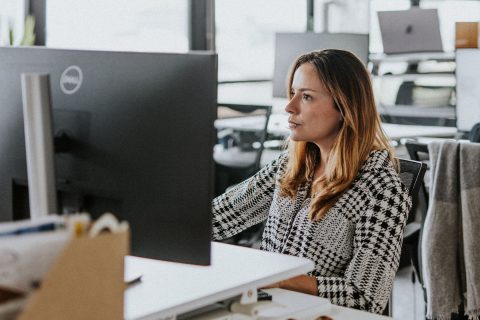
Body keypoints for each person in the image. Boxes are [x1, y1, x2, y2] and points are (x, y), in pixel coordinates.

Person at [212, 49, 412, 314]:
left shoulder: (381, 188)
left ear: (344, 107)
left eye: (306, 96)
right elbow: (221, 216)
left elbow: (365, 296)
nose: (289, 106)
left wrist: (279, 280)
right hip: (273, 308)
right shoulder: (293, 165)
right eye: (292, 93)